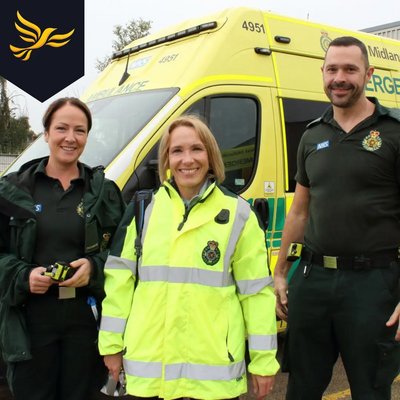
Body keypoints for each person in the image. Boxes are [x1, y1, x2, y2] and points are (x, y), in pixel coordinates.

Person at [98, 115, 279, 400]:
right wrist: (110, 345)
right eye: (177, 150)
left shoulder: (239, 215)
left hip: (212, 376)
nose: (187, 159)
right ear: (166, 159)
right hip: (149, 372)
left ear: (211, 155)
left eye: (197, 149)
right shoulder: (143, 209)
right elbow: (119, 281)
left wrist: (264, 361)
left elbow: (256, 294)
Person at [274, 36, 400, 400]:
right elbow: (299, 210)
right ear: (322, 73)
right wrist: (281, 273)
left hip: (373, 283)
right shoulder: (312, 135)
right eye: (332, 69)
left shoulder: (393, 131)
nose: (339, 78)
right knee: (301, 387)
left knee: (371, 388)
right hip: (313, 282)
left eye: (349, 69)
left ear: (369, 74)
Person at [0, 97, 126, 400]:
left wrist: (94, 267)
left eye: (80, 131)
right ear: (45, 134)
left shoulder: (104, 192)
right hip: (30, 323)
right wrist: (23, 276)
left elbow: (126, 257)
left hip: (86, 323)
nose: (70, 138)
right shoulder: (12, 190)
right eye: (61, 128)